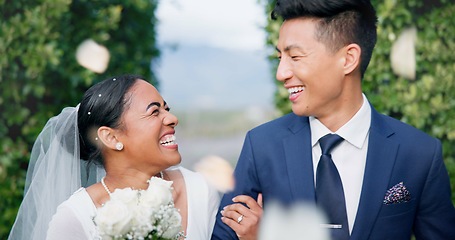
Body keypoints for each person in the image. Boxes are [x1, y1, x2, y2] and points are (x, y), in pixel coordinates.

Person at [211, 0, 455, 239]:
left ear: (348, 59)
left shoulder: (419, 153)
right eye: (280, 58)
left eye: (295, 57)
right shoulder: (262, 145)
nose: (281, 73)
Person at [8, 74, 220, 239]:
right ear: (110, 137)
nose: (172, 118)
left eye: (167, 109)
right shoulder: (76, 217)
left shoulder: (199, 190)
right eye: (154, 112)